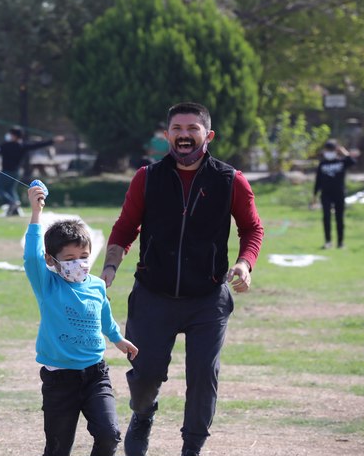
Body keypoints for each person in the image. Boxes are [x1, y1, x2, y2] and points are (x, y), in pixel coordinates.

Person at [101, 102, 263, 456]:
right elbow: (125, 228)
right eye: (177, 129)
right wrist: (110, 268)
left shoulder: (229, 180)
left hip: (208, 297)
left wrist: (245, 264)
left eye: (193, 128)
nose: (184, 135)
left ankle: (192, 447)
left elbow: (251, 228)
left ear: (208, 136)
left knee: (204, 377)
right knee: (144, 376)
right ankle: (142, 416)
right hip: (152, 296)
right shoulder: (147, 178)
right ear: (167, 135)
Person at [24, 182, 138, 456]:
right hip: (59, 379)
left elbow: (103, 316)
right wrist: (35, 212)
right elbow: (31, 257)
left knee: (109, 436)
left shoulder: (96, 285)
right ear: (52, 260)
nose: (79, 263)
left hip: (95, 374)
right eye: (70, 258)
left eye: (84, 256)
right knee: (58, 448)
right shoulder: (47, 284)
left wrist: (117, 338)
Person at [0, 127, 63, 216]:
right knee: (10, 190)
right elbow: (37, 145)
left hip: (6, 171)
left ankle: (12, 202)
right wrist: (52, 141)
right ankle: (16, 209)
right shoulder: (22, 145)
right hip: (16, 173)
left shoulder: (6, 145)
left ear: (14, 136)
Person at [312, 139, 357, 249]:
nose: (329, 152)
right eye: (327, 150)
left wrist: (345, 152)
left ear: (336, 150)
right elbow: (318, 180)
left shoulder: (341, 162)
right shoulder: (322, 164)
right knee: (326, 218)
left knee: (339, 218)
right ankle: (328, 242)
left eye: (331, 150)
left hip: (339, 194)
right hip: (326, 195)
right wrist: (314, 195)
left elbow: (353, 162)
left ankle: (340, 243)